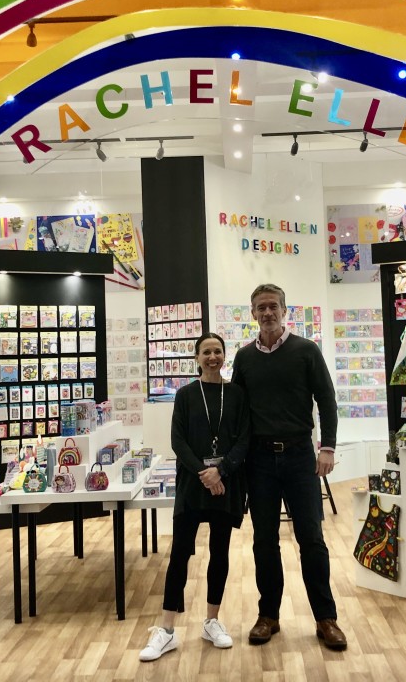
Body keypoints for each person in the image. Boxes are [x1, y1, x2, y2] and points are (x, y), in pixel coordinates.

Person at [230, 284, 347, 652]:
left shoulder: (306, 351)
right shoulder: (244, 358)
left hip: (299, 457)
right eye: (261, 307)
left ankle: (326, 619)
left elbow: (327, 400)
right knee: (264, 541)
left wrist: (326, 447)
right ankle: (269, 616)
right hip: (259, 461)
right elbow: (237, 412)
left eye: (273, 306)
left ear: (284, 310)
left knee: (311, 539)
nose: (267, 313)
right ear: (252, 313)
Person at [139, 333, 251, 662]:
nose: (212, 357)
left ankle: (212, 621)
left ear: (224, 355)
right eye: (206, 352)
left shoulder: (237, 395)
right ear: (197, 358)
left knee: (220, 552)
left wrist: (222, 471)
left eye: (217, 351)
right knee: (180, 556)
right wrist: (205, 473)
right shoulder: (186, 395)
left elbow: (244, 438)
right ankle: (167, 630)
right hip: (193, 484)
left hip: (226, 484)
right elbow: (178, 440)